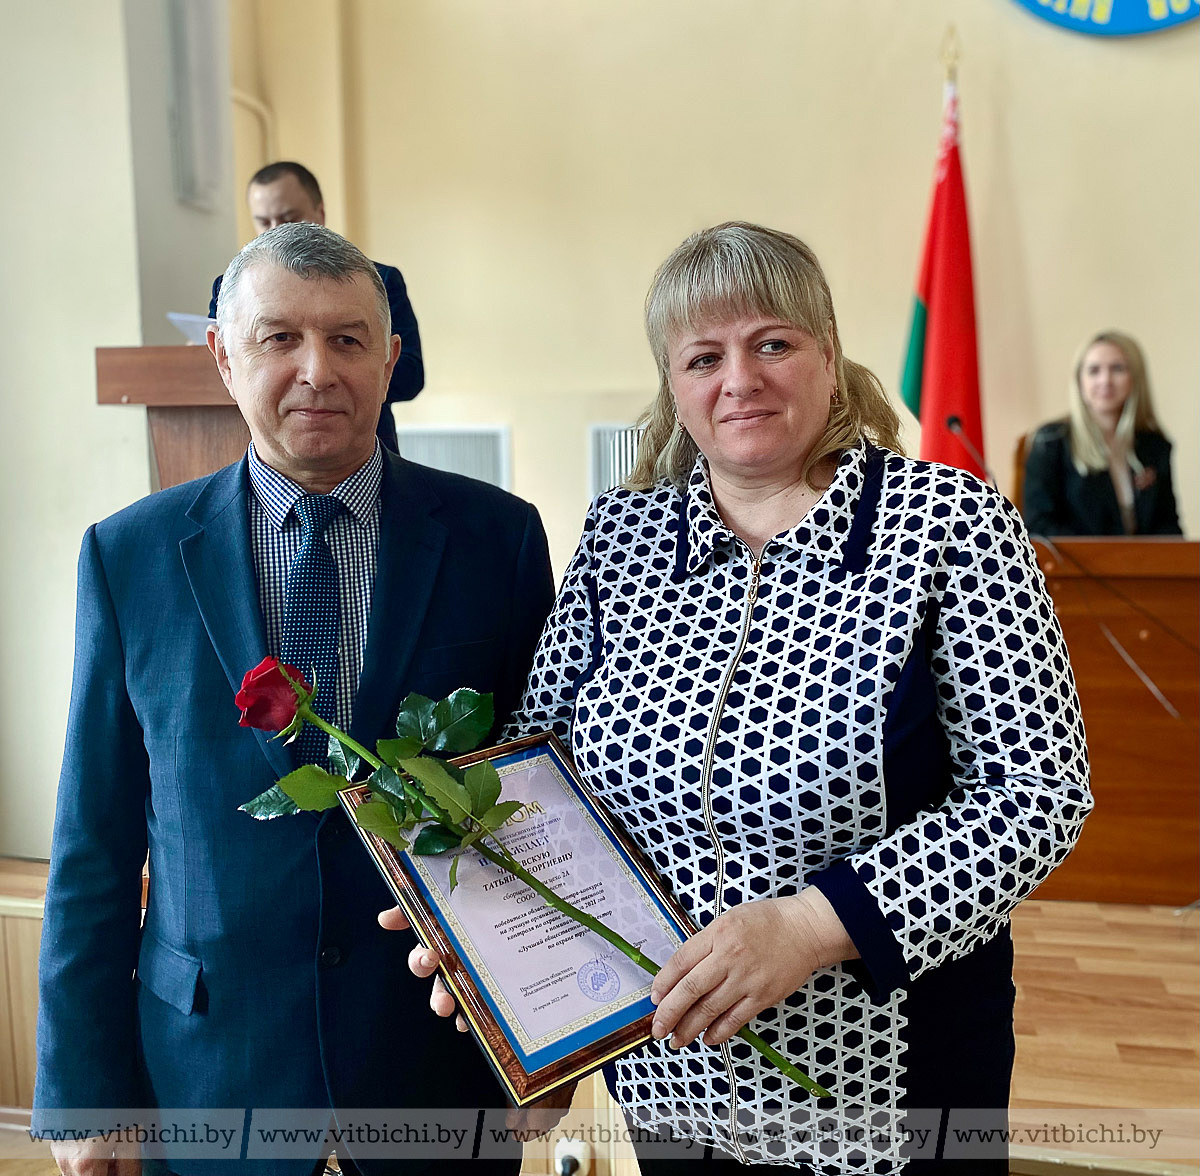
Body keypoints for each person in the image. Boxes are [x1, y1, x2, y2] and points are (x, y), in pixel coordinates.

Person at [395, 223, 1092, 1174]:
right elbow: (539, 767)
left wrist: (811, 925)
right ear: (672, 387)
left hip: (890, 1081)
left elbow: (1040, 792)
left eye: (774, 342)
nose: (741, 379)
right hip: (672, 1073)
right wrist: (483, 935)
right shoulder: (623, 537)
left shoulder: (952, 526)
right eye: (704, 356)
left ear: (830, 359)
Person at [34, 222, 556, 1176]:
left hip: (434, 1064)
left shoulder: (499, 539)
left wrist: (548, 1041)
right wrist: (81, 1093)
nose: (317, 371)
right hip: (208, 1069)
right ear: (223, 355)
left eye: (349, 339)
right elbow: (93, 844)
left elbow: (543, 802)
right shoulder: (129, 557)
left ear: (392, 359)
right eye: (279, 338)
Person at [207, 161, 425, 451]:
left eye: (288, 217)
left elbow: (410, 374)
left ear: (319, 213)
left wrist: (354, 381)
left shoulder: (379, 281)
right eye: (264, 221)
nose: (316, 375)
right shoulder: (232, 288)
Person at [1022, 330, 1182, 536]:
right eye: (1094, 370)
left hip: (1144, 566)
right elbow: (1039, 526)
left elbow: (1168, 527)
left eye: (1117, 368)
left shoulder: (1154, 445)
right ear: (1079, 380)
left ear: (1136, 377)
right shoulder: (1050, 442)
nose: (1105, 380)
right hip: (1075, 566)